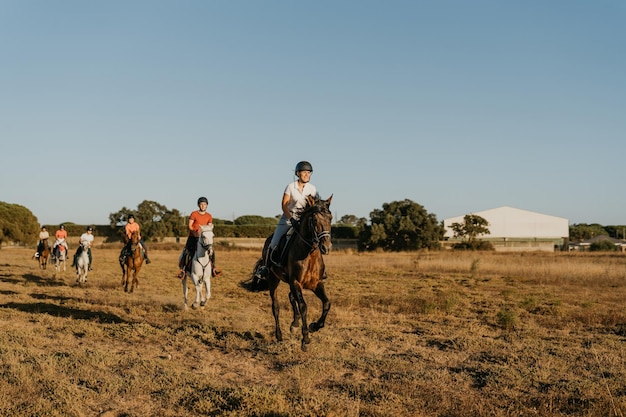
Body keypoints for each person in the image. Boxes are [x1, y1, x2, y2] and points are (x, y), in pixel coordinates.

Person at [255, 161, 319, 279]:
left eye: (309, 172)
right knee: (274, 242)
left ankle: (319, 269)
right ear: (298, 173)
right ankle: (266, 267)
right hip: (289, 218)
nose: (307, 174)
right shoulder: (291, 186)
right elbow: (284, 205)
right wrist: (291, 219)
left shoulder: (312, 188)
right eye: (304, 172)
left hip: (304, 220)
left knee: (316, 240)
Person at [176, 197, 220, 279]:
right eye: (201, 204)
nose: (203, 206)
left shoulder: (209, 216)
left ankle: (213, 268)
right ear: (198, 205)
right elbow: (190, 226)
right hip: (193, 237)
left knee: (212, 251)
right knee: (187, 251)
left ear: (207, 205)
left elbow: (210, 226)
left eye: (205, 204)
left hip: (204, 238)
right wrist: (195, 233)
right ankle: (183, 270)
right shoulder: (194, 214)